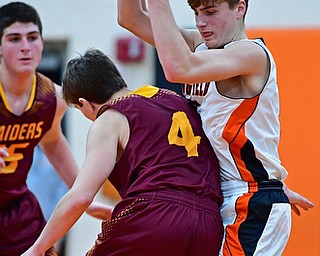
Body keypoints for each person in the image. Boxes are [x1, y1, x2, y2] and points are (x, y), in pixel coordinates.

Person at [117, 0, 315, 255]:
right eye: (196, 13)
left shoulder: (252, 54)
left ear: (240, 8)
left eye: (210, 13)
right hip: (215, 195)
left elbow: (178, 68)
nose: (201, 22)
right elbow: (130, 18)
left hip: (250, 201)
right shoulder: (197, 46)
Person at [22, 48, 223, 256]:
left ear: (84, 104)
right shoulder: (175, 99)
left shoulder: (108, 118)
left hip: (155, 215)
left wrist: (37, 249)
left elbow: (80, 196)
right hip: (208, 223)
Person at [0, 2, 112, 256]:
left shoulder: (53, 98)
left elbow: (51, 142)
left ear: (41, 42)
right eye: (14, 39)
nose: (26, 46)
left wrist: (83, 197)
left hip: (18, 211)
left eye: (32, 37)